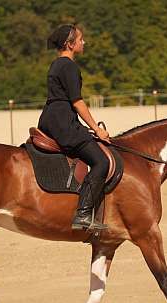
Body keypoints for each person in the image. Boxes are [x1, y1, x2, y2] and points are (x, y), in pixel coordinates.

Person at [38, 24, 111, 231]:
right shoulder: (69, 66)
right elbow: (77, 102)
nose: (83, 42)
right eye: (80, 39)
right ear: (70, 44)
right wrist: (97, 129)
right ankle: (83, 214)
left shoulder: (55, 64)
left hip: (50, 118)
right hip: (63, 121)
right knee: (101, 162)